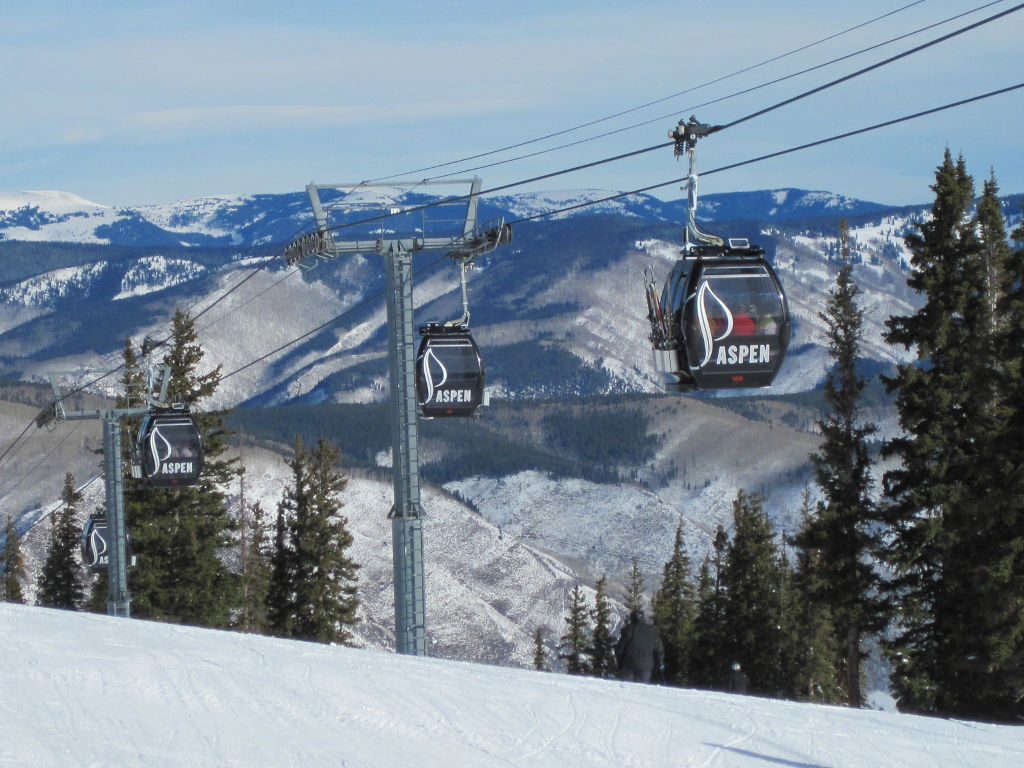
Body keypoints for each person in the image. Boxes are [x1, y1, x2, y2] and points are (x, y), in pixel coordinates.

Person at [615, 609, 665, 683]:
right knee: (642, 692)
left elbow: (620, 649)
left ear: (632, 618)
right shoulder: (652, 631)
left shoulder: (628, 630)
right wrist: (660, 664)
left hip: (629, 665)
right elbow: (659, 650)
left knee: (626, 691)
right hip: (646, 668)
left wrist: (620, 663)